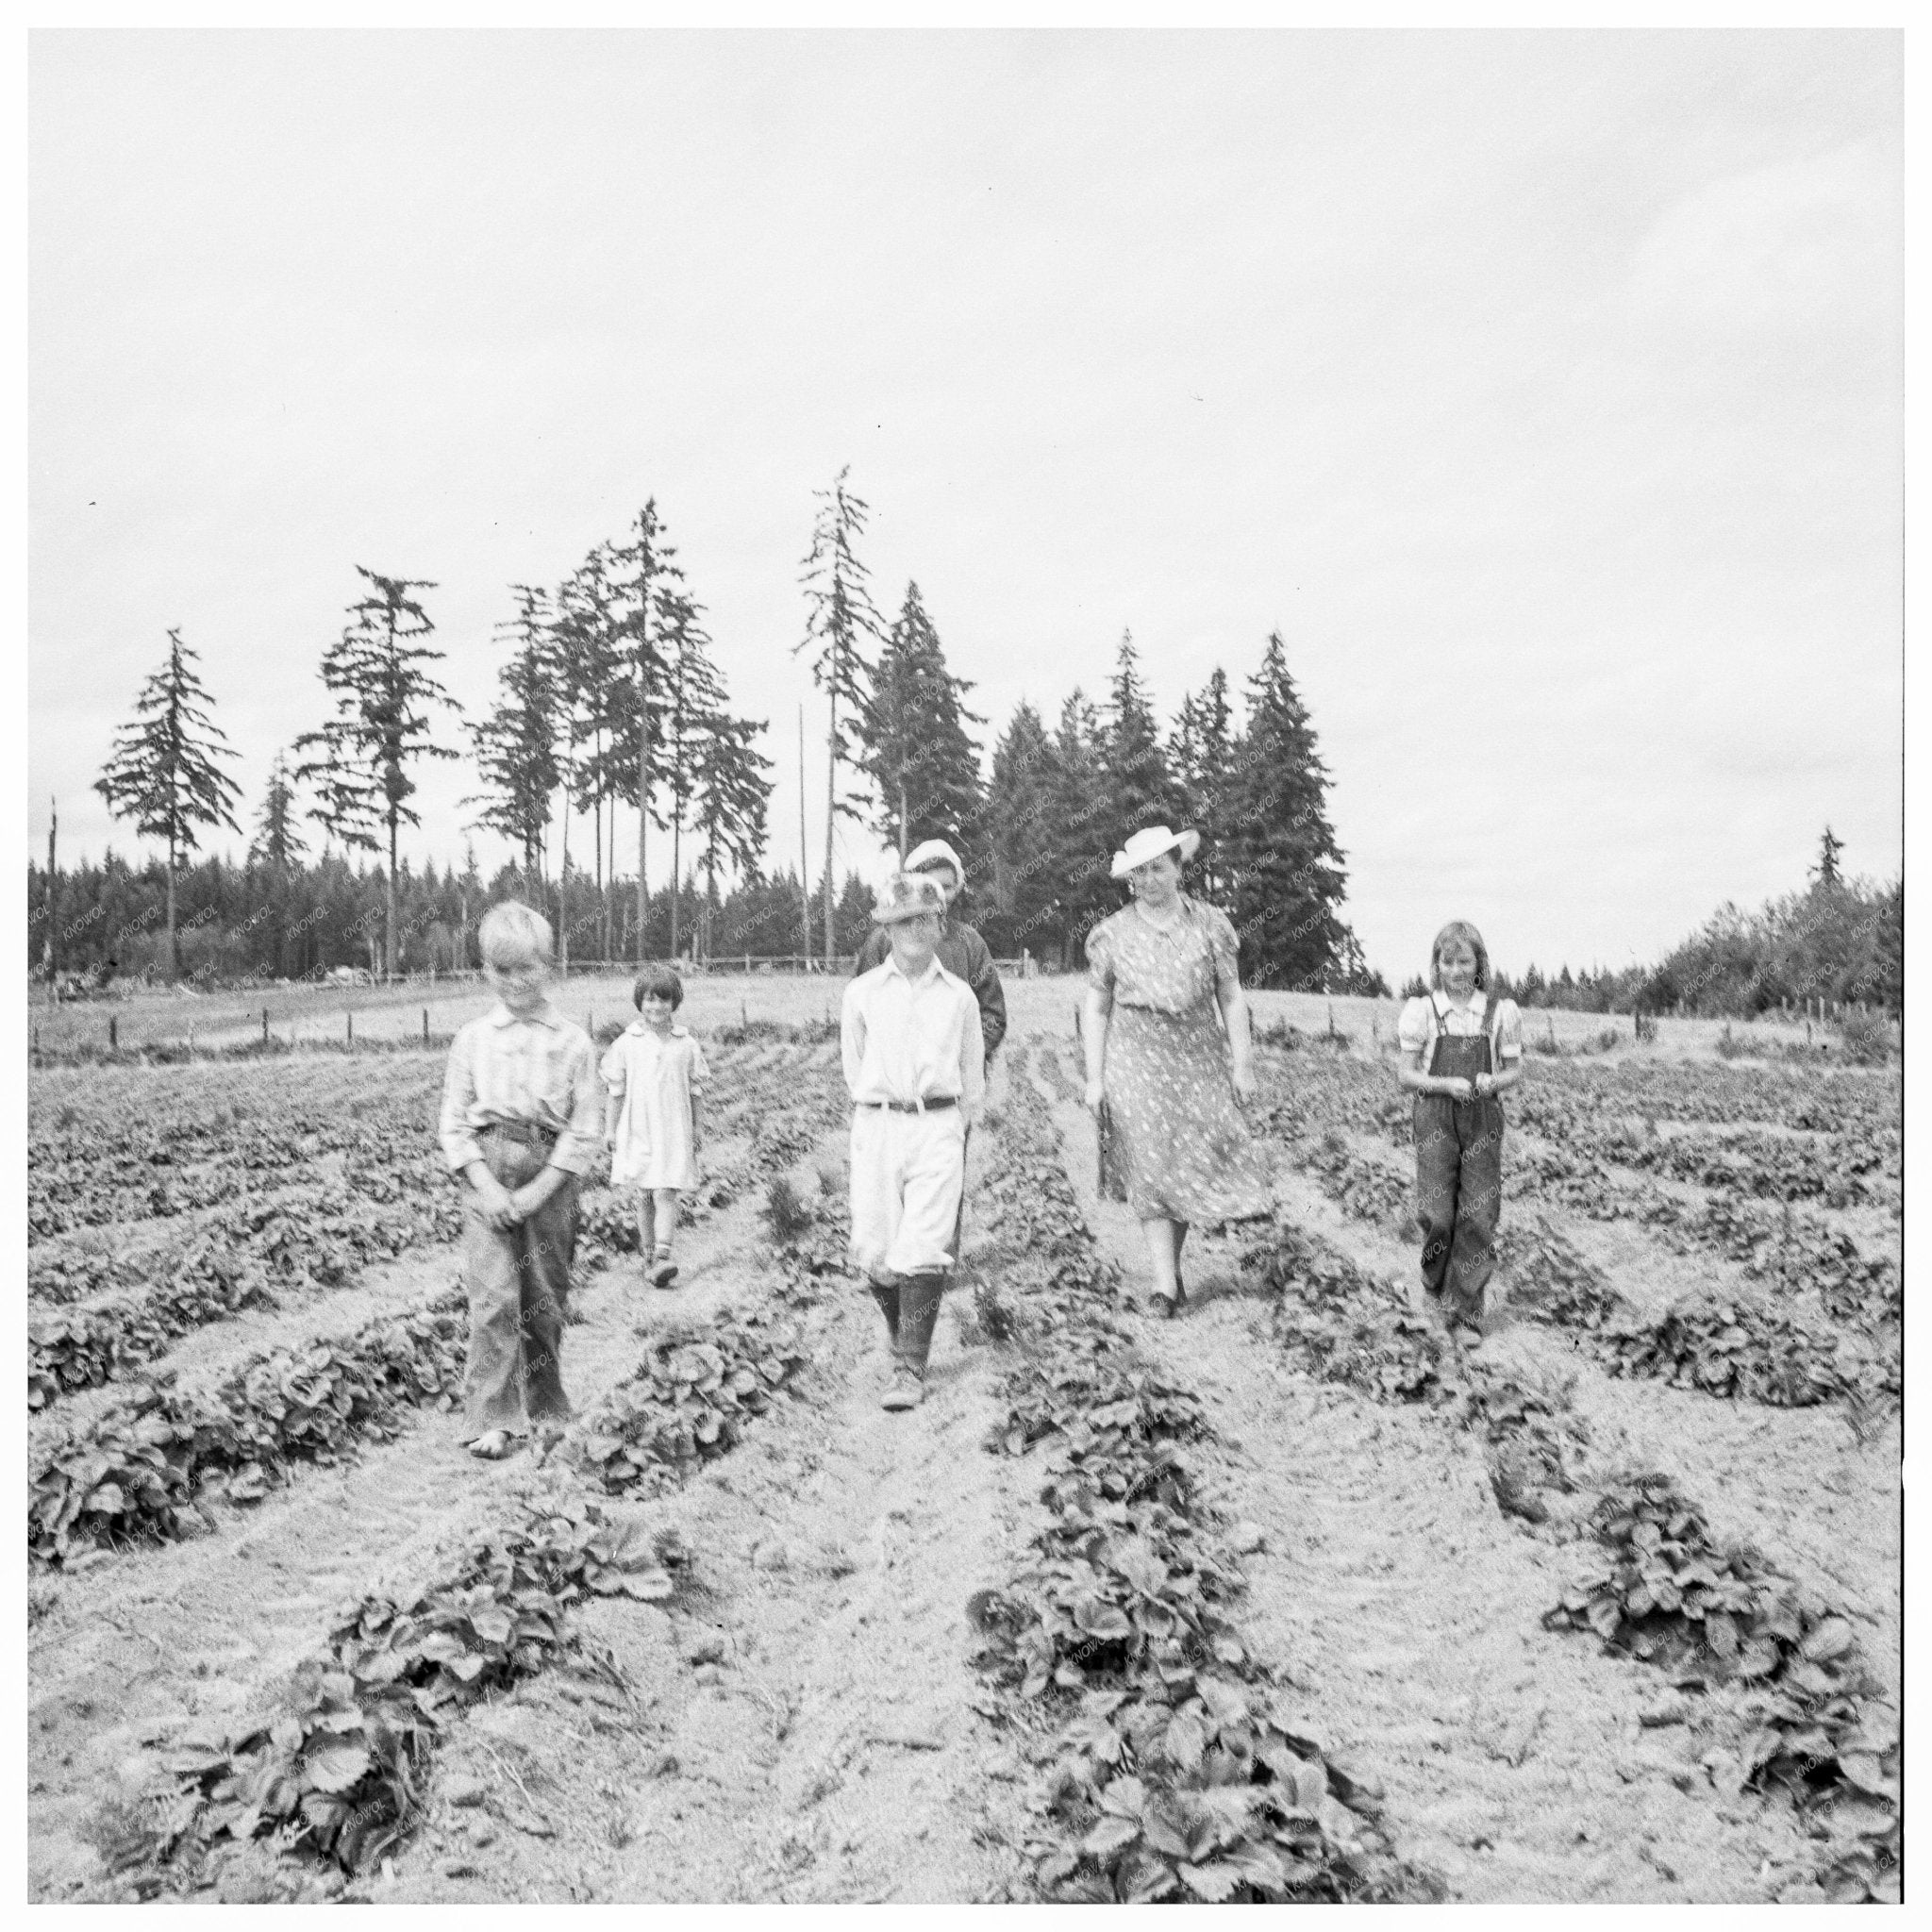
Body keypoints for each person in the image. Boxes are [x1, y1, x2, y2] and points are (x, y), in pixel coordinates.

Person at [1081, 824, 1275, 1317]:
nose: (1149, 879)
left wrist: (1243, 1063)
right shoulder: (1112, 933)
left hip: (1197, 1059)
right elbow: (1097, 1007)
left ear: (1178, 868)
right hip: (1136, 1061)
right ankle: (1165, 1283)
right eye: (1139, 872)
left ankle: (1174, 1268)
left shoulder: (1211, 925)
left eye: (1158, 868)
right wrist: (1095, 1076)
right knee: (1149, 1166)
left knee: (1184, 1163)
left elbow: (1231, 998)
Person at [437, 902, 601, 1459]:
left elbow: (583, 1131)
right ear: (486, 971)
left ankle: (547, 1403)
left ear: (549, 965)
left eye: (526, 968)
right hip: (485, 1172)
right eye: (501, 970)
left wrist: (536, 1190)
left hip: (549, 1175)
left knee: (543, 1297)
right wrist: (487, 1187)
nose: (515, 982)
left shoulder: (574, 1042)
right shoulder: (472, 1039)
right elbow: (453, 1126)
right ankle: (493, 1417)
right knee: (493, 1298)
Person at [841, 871, 986, 1410]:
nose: (914, 930)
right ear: (886, 928)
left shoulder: (960, 997)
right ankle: (903, 1329)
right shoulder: (860, 994)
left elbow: (973, 1073)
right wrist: (876, 1110)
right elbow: (854, 1066)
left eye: (925, 919)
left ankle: (909, 1366)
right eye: (903, 921)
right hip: (878, 1123)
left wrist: (956, 1124)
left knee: (924, 1246)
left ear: (940, 924)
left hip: (938, 1124)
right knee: (876, 1250)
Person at [1395, 920, 1524, 1343]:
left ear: (1478, 963)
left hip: (1482, 1120)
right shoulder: (1424, 1011)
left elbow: (1514, 1071)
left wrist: (1494, 1081)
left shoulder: (1498, 1011)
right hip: (1435, 1116)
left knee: (1479, 1214)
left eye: (1463, 960)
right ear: (1437, 965)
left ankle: (1467, 1311)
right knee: (1438, 1215)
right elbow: (1405, 1074)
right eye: (1446, 961)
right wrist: (1443, 1085)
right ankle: (1435, 1289)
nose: (1455, 969)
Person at [600, 963, 709, 1290]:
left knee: (666, 1189)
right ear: (640, 1003)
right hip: (638, 1126)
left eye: (663, 1000)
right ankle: (649, 1256)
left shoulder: (686, 1043)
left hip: (674, 1126)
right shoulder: (627, 1043)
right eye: (650, 1000)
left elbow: (696, 1091)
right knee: (645, 1193)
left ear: (674, 1002)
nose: (656, 1007)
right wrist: (610, 1129)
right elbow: (616, 1092)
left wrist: (698, 1128)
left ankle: (663, 1254)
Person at [851, 837, 1007, 1061]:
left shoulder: (970, 943)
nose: (940, 894)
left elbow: (992, 1014)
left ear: (958, 888)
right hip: (893, 1077)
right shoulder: (882, 941)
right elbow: (861, 1008)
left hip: (952, 1082)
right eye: (930, 886)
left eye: (947, 887)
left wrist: (963, 1058)